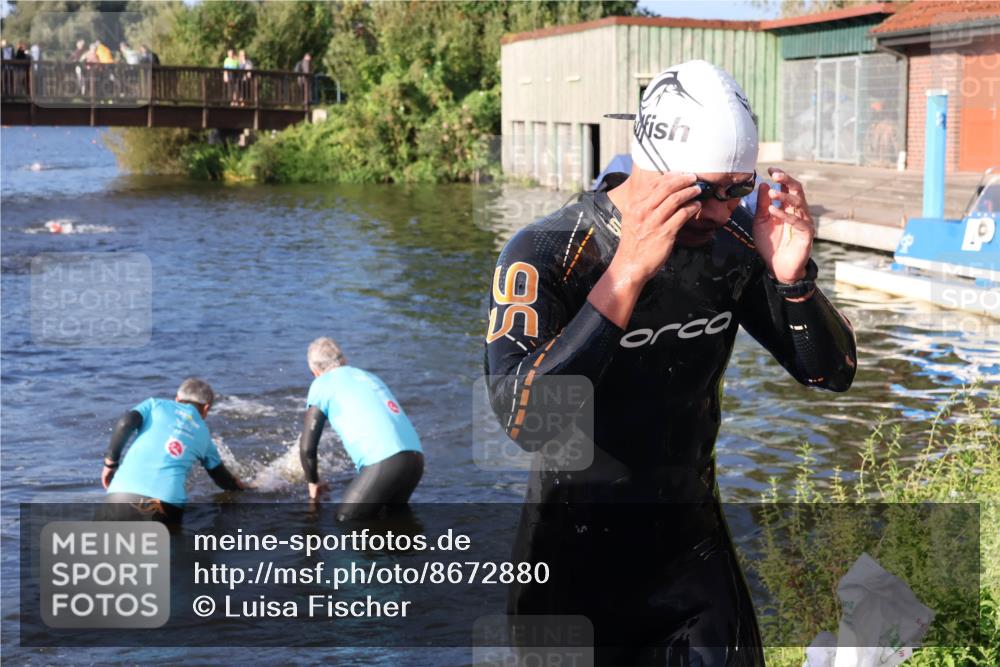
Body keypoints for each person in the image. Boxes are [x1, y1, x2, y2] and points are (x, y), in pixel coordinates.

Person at [484, 59, 857, 665]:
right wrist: (626, 273)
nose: (720, 210)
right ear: (652, 163)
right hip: (572, 567)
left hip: (690, 554)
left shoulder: (731, 247)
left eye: (739, 188)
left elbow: (830, 373)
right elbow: (526, 422)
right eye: (705, 191)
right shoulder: (548, 253)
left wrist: (793, 281)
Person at [298, 337, 423, 521]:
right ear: (344, 360)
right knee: (396, 525)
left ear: (314, 371)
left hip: (384, 463)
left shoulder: (321, 385)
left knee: (346, 523)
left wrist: (313, 481)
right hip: (415, 459)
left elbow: (307, 447)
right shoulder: (368, 376)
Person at [101, 378, 247, 523]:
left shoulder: (154, 405)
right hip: (165, 504)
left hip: (119, 495)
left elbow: (125, 423)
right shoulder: (205, 436)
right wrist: (246, 488)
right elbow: (222, 478)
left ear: (177, 399)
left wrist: (111, 463)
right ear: (206, 408)